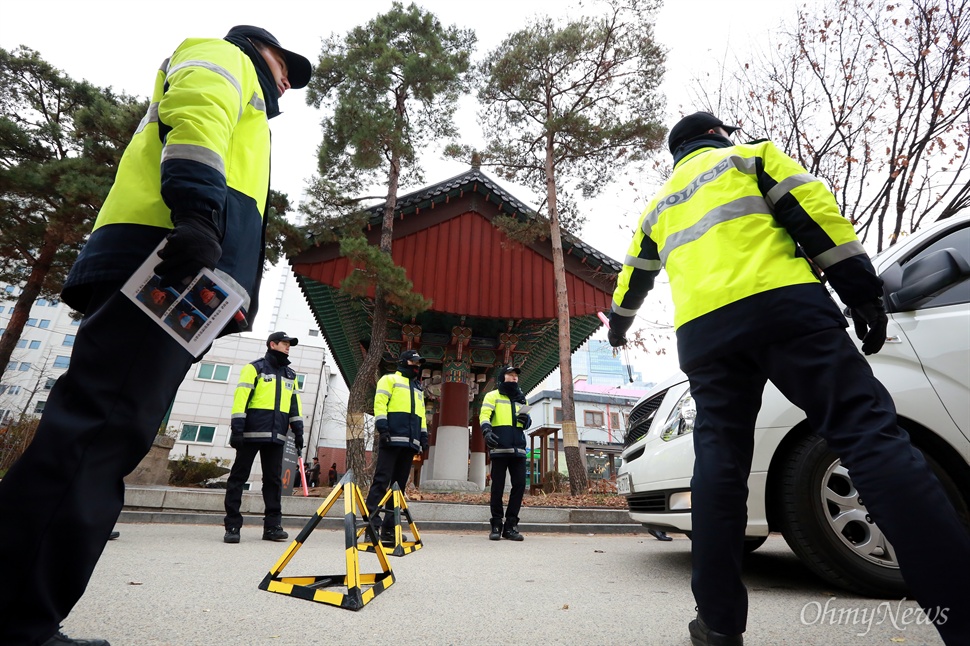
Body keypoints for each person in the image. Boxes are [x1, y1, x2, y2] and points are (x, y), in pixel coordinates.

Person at [608, 111, 970, 646]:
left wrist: (619, 327)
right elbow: (815, 215)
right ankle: (960, 613)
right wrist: (862, 293)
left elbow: (632, 276)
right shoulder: (752, 157)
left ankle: (718, 624)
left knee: (719, 470)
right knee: (865, 435)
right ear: (718, 136)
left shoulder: (659, 204)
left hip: (706, 338)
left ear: (677, 151)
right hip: (786, 311)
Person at [0, 26, 311, 646]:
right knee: (99, 431)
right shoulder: (224, 56)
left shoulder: (253, 101)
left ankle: (21, 612)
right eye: (285, 67)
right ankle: (16, 621)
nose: (286, 83)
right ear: (257, 47)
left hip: (181, 271)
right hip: (167, 260)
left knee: (107, 430)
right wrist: (197, 213)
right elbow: (197, 111)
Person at [223, 332, 304, 543]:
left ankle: (272, 527)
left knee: (273, 481)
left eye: (289, 344)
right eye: (284, 343)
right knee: (238, 478)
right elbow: (241, 399)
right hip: (250, 433)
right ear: (272, 344)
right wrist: (237, 430)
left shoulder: (290, 374)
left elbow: (294, 405)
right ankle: (232, 525)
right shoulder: (254, 368)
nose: (288, 347)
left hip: (276, 435)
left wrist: (298, 431)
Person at [365, 350, 428, 545]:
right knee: (381, 481)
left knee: (398, 488)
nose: (416, 366)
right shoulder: (389, 379)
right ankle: (372, 527)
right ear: (403, 362)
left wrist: (423, 436)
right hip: (391, 437)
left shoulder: (418, 389)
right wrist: (382, 428)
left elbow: (422, 415)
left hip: (410, 442)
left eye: (418, 363)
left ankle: (390, 529)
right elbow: (380, 403)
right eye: (413, 361)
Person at [479, 365, 532, 542]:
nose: (514, 377)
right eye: (510, 374)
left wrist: (526, 420)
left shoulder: (521, 398)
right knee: (497, 487)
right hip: (499, 448)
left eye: (516, 375)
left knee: (519, 486)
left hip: (519, 449)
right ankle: (496, 524)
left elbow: (526, 422)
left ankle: (511, 526)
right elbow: (484, 415)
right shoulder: (492, 396)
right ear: (503, 377)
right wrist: (486, 431)